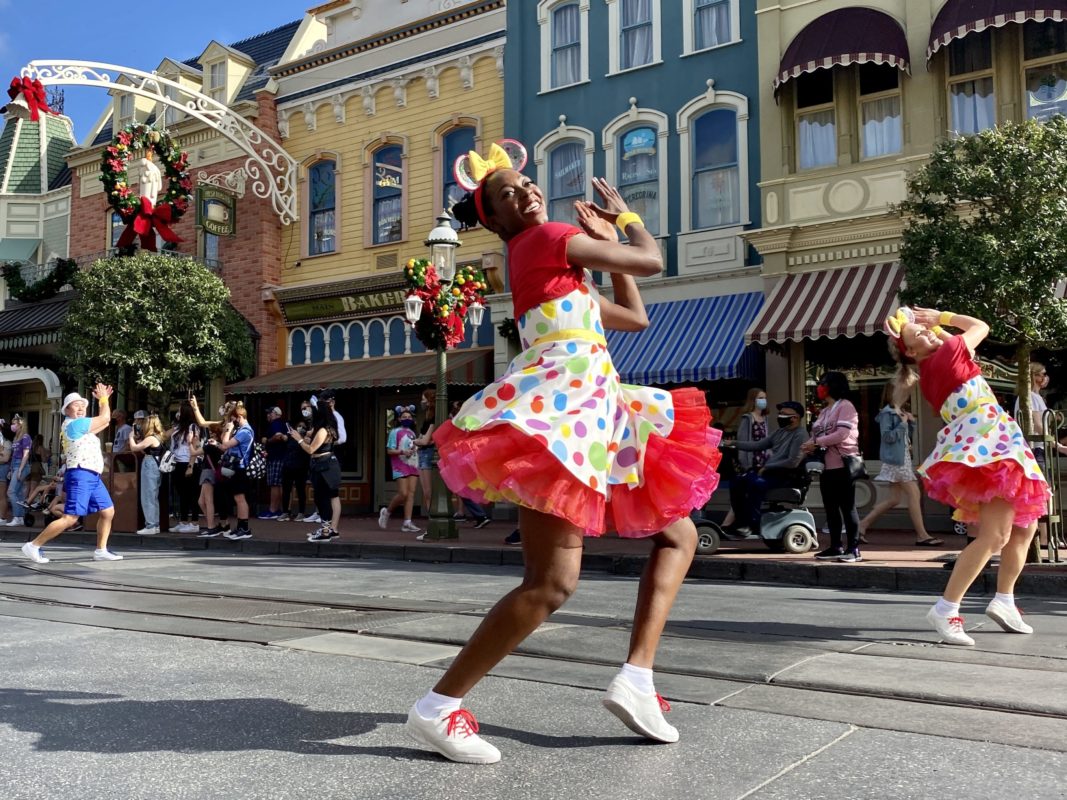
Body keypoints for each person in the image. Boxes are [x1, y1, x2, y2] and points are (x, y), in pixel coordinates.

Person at [403, 144, 719, 765]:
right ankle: (439, 705)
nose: (525, 192)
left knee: (677, 534)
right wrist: (626, 221)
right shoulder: (547, 238)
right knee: (551, 582)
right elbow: (653, 259)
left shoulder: (557, 269)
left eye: (525, 184)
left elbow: (634, 317)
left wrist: (605, 248)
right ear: (496, 220)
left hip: (594, 412)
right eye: (507, 194)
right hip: (565, 414)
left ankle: (637, 678)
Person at [885, 306, 1050, 646]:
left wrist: (930, 330)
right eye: (918, 334)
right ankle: (946, 608)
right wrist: (941, 317)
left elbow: (959, 347)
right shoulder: (946, 355)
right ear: (912, 352)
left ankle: (1004, 601)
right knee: (995, 536)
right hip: (991, 445)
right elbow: (980, 326)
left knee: (1024, 527)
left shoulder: (935, 364)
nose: (927, 331)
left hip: (992, 442)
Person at [20, 387, 123, 563]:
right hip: (81, 473)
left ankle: (101, 550)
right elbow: (105, 418)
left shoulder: (80, 426)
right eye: (76, 405)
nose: (81, 408)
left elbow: (104, 423)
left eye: (83, 405)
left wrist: (103, 402)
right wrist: (103, 399)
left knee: (107, 511)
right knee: (70, 517)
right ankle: (33, 545)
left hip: (91, 474)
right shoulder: (75, 425)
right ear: (67, 410)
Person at [858, 381, 942, 546]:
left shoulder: (899, 412)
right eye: (904, 391)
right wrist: (903, 424)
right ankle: (922, 535)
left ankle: (861, 525)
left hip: (902, 459)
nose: (906, 394)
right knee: (914, 494)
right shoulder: (887, 413)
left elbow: (905, 439)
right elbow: (887, 437)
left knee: (894, 499)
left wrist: (910, 423)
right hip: (897, 461)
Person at [802, 372, 863, 563]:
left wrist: (817, 442)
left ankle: (853, 549)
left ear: (834, 386)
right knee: (830, 508)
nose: (820, 387)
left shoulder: (846, 406)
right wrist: (809, 444)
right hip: (826, 466)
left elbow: (842, 434)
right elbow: (818, 434)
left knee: (847, 507)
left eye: (823, 383)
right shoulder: (825, 410)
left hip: (843, 464)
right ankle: (835, 546)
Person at [731, 400, 808, 532]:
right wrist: (733, 443)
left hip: (786, 476)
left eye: (783, 414)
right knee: (737, 482)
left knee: (756, 484)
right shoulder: (780, 432)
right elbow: (758, 445)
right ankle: (741, 522)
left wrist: (767, 467)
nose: (779, 416)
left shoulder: (800, 434)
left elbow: (793, 462)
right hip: (771, 473)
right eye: (779, 413)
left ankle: (753, 524)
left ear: (795, 418)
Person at [1014, 362, 1067, 550]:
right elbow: (1037, 425)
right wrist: (1057, 445)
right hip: (1036, 449)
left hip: (1035, 449)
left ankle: (1045, 537)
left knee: (1044, 491)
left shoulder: (1032, 397)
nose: (1045, 378)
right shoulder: (1030, 397)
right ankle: (1045, 538)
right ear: (1034, 376)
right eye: (1042, 374)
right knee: (1044, 491)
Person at [291, 400, 342, 542]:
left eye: (314, 410)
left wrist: (299, 439)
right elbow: (316, 444)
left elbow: (311, 449)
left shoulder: (323, 430)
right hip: (324, 465)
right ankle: (328, 529)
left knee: (322, 498)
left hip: (323, 466)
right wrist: (305, 437)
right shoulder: (327, 428)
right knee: (322, 498)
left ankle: (326, 530)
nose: (311, 413)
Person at [724, 388, 770, 533]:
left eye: (764, 398)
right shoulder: (748, 418)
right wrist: (745, 464)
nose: (763, 401)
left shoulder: (765, 418)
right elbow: (742, 442)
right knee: (744, 491)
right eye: (760, 398)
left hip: (763, 462)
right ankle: (734, 524)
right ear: (753, 400)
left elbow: (767, 441)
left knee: (748, 492)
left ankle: (728, 525)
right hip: (751, 462)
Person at [379, 405, 421, 534]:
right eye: (404, 417)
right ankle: (387, 512)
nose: (407, 419)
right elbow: (390, 450)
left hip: (413, 464)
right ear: (399, 419)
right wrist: (403, 451)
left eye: (409, 417)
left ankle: (407, 522)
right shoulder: (394, 432)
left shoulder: (413, 433)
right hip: (400, 465)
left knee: (411, 493)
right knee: (403, 493)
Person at [217, 403, 254, 540]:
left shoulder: (245, 432)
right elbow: (223, 444)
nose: (232, 421)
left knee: (240, 498)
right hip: (235, 467)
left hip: (240, 467)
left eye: (233, 419)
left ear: (239, 417)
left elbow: (225, 444)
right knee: (237, 497)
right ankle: (240, 526)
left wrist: (228, 429)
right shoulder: (241, 430)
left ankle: (244, 528)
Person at [128, 412, 165, 535]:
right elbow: (144, 450)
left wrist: (131, 437)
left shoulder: (151, 438)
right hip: (154, 464)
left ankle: (151, 525)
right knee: (153, 496)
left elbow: (134, 448)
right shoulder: (158, 437)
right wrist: (139, 439)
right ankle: (155, 524)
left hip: (150, 464)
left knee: (148, 496)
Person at [278, 404, 311, 522]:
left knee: (300, 490)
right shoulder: (291, 436)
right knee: (286, 490)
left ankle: (301, 512)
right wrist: (282, 437)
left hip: (301, 467)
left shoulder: (306, 439)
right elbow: (285, 440)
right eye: (299, 426)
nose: (301, 428)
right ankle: (285, 512)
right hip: (288, 465)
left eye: (303, 426)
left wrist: (306, 440)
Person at [259, 406, 289, 519]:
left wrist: (267, 440)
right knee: (277, 483)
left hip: (276, 457)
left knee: (275, 484)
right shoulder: (280, 423)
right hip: (278, 457)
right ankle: (279, 509)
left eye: (270, 413)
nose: (268, 415)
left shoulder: (276, 423)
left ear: (276, 414)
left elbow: (278, 437)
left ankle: (273, 509)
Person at [413, 388, 437, 517]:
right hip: (422, 452)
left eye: (424, 399)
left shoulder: (434, 418)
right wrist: (420, 441)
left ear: (429, 401)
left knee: (428, 491)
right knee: (425, 491)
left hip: (427, 453)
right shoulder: (427, 417)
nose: (422, 402)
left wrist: (414, 441)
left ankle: (432, 516)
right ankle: (430, 516)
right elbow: (423, 439)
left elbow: (425, 440)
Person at [5, 415, 32, 526]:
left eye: (14, 423)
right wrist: (11, 470)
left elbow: (26, 454)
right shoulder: (16, 437)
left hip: (22, 466)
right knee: (18, 493)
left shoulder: (25, 437)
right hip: (15, 466)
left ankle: (17, 516)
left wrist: (20, 469)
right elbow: (14, 455)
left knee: (11, 491)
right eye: (12, 423)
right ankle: (20, 517)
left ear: (20, 425)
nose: (12, 426)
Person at [27, 434, 49, 499]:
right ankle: (29, 503)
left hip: (28, 467)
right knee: (33, 489)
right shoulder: (40, 448)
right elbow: (44, 460)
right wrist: (47, 456)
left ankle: (25, 502)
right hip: (36, 468)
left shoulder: (30, 447)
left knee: (27, 489)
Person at [0, 420, 12, 523]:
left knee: (2, 495)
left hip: (3, 470)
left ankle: (2, 517)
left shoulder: (7, 442)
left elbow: (5, 459)